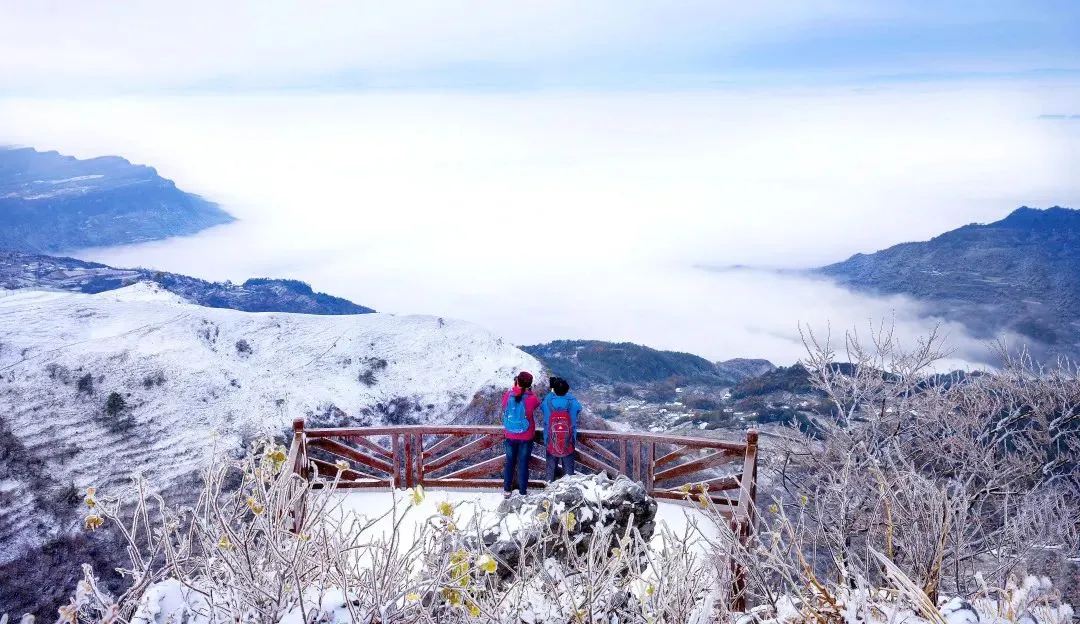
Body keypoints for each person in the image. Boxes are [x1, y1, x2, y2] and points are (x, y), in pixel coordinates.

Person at [501, 371, 540, 498]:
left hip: (510, 435)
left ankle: (507, 490)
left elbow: (504, 406)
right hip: (526, 436)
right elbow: (535, 405)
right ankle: (523, 491)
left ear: (517, 381)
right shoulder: (532, 398)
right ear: (529, 384)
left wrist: (515, 389)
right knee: (523, 464)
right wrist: (527, 391)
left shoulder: (508, 395)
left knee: (510, 463)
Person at [541, 376, 582, 482]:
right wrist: (567, 395)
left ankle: (549, 488)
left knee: (550, 471)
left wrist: (552, 392)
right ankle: (568, 489)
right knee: (569, 474)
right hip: (569, 440)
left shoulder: (548, 401)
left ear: (554, 390)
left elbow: (542, 405)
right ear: (567, 390)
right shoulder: (572, 402)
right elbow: (579, 408)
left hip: (551, 439)